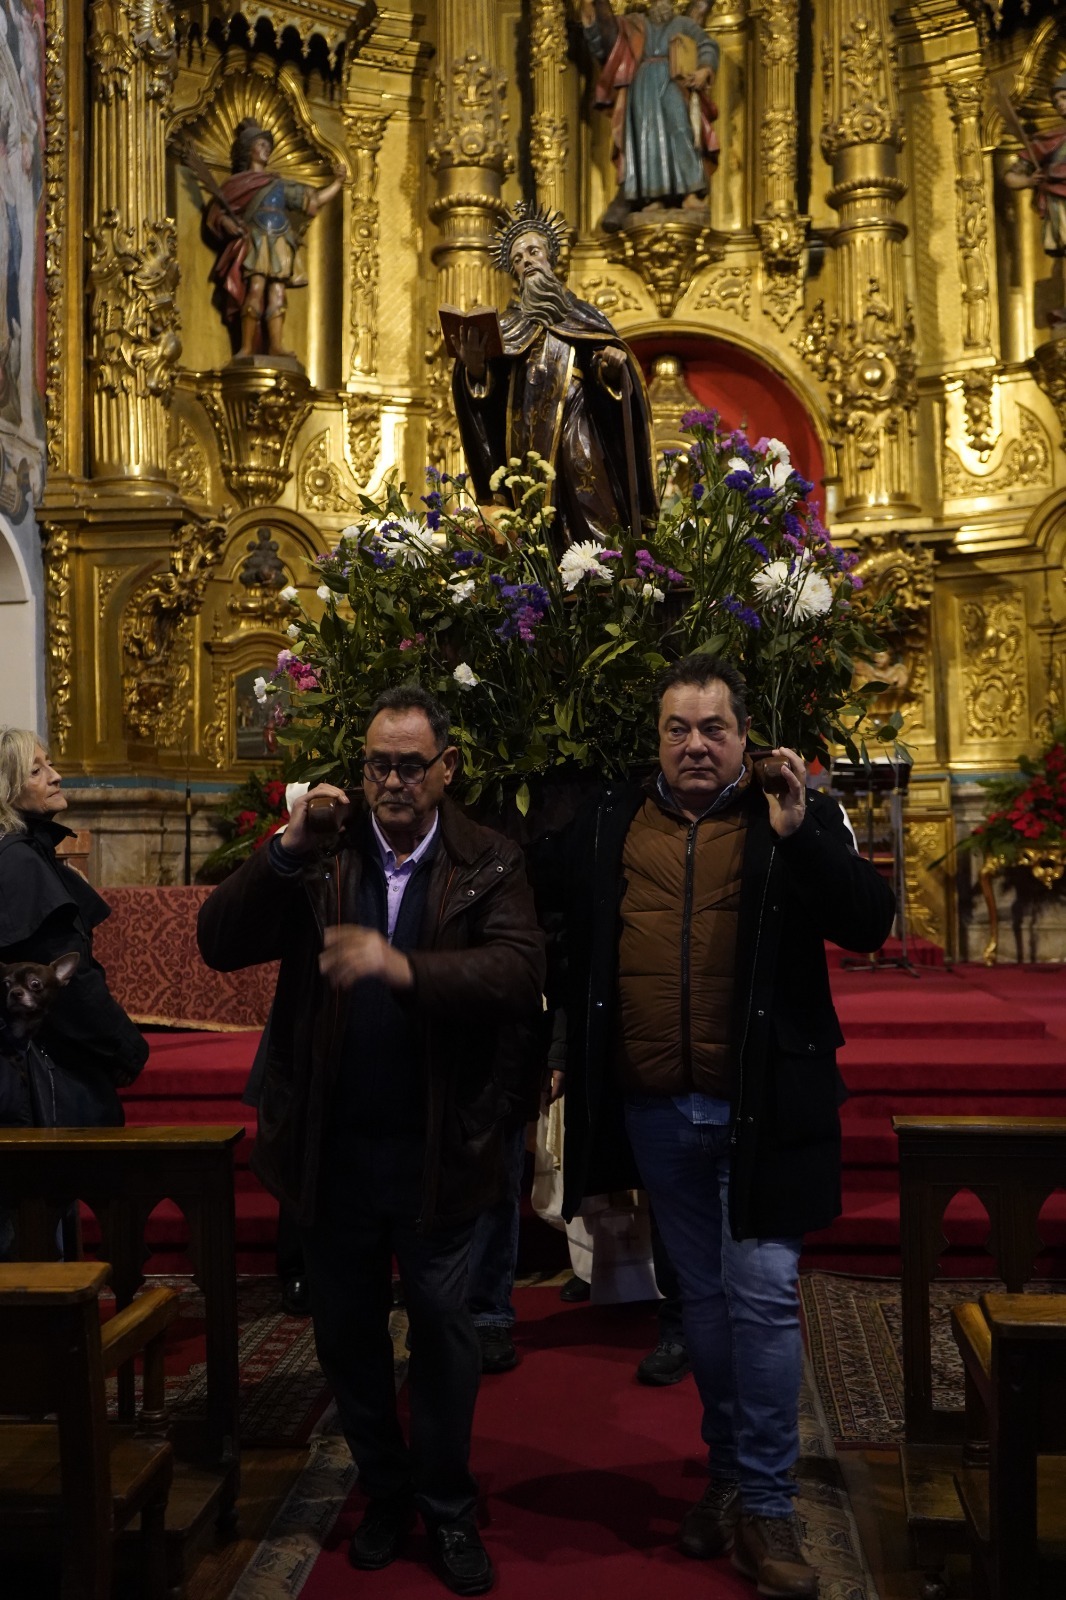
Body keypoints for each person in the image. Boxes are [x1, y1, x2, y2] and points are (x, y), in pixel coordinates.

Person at [534, 657, 894, 1600]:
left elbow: (870, 924)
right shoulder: (611, 819)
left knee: (763, 1295)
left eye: (714, 728)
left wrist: (803, 833)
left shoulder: (793, 813)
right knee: (700, 1302)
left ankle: (768, 1504)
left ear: (744, 736)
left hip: (763, 1107)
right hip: (655, 1107)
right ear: (657, 739)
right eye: (678, 729)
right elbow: (565, 933)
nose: (696, 745)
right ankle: (729, 1472)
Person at [197, 686, 544, 1597]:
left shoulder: (488, 858)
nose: (392, 781)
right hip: (332, 1147)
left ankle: (448, 1504)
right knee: (348, 1335)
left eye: (410, 766)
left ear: (445, 769)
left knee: (443, 1333)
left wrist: (403, 967)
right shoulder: (323, 855)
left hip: (439, 1146)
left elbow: (517, 972)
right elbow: (218, 942)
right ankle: (385, 1490)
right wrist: (285, 849)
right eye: (377, 765)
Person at [452, 200, 658, 547]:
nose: (527, 261)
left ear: (550, 258)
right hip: (524, 442)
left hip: (579, 428)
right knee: (536, 524)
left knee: (592, 509)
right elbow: (489, 402)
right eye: (518, 259)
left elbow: (608, 375)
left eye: (533, 252)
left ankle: (601, 570)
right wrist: (474, 369)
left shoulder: (584, 315)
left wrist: (609, 369)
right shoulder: (506, 327)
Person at [0, 729, 147, 1124]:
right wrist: (128, 1047)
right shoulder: (20, 862)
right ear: (6, 789)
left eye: (49, 764)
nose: (55, 776)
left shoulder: (21, 852)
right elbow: (67, 981)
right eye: (36, 771)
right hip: (45, 1074)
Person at [205, 118, 347, 360]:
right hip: (257, 240)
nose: (266, 149)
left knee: (278, 293)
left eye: (268, 146)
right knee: (255, 289)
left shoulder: (279, 185)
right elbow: (217, 213)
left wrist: (338, 183)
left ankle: (276, 346)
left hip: (281, 240)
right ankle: (247, 347)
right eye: (261, 145)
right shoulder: (237, 184)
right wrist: (227, 223)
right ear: (249, 150)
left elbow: (314, 200)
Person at [582, 0, 719, 232]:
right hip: (642, 84)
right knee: (647, 138)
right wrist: (590, 16)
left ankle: (691, 192)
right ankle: (652, 195)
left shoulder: (683, 24)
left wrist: (704, 69)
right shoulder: (634, 23)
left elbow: (707, 45)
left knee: (681, 130)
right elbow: (608, 44)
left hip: (674, 81)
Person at [1004, 72, 1066, 268]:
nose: (1060, 104)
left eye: (1064, 97)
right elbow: (1011, 176)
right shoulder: (1049, 142)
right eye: (1056, 102)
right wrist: (1029, 181)